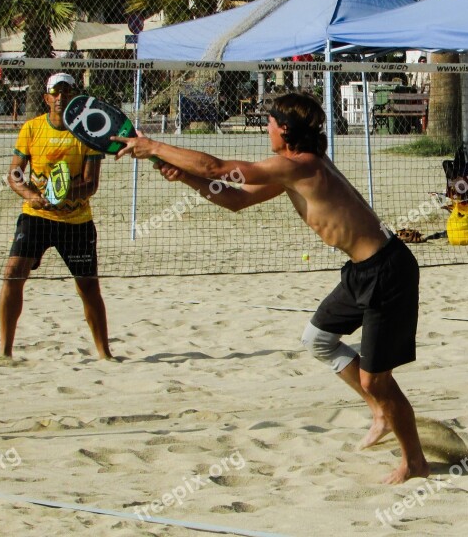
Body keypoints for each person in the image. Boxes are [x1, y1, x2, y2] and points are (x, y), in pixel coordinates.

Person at [116, 92, 428, 484]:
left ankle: (414, 461)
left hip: (387, 271)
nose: (265, 127)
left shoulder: (302, 166)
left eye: (268, 122)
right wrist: (188, 178)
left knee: (374, 379)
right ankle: (381, 411)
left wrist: (153, 146)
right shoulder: (292, 168)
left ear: (283, 129)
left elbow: (218, 167)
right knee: (318, 339)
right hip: (362, 270)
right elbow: (233, 200)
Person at [0, 73, 112, 360]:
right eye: (55, 92)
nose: (61, 97)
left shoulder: (88, 133)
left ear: (75, 96)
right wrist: (33, 196)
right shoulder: (32, 128)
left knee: (88, 286)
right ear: (46, 98)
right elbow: (14, 174)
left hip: (75, 222)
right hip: (35, 216)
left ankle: (105, 354)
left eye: (67, 91)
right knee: (13, 274)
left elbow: (91, 184)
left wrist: (61, 195)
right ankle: (5, 352)